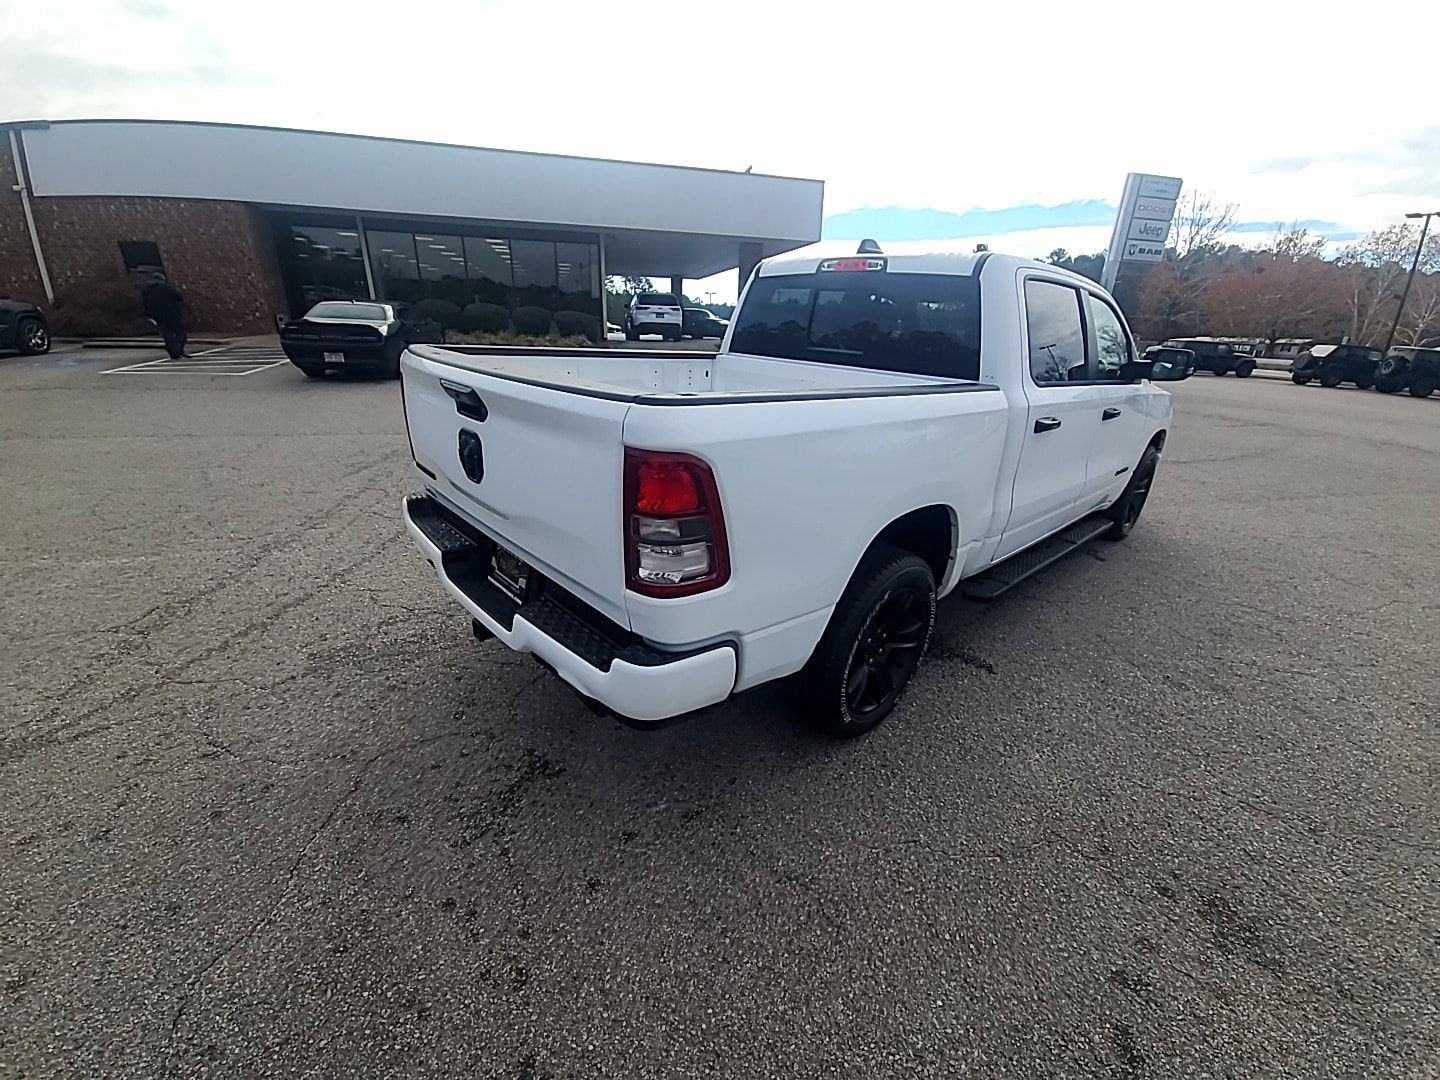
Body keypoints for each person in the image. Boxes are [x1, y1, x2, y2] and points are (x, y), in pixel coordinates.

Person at [141, 272, 188, 359]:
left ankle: (173, 352)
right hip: (172, 313)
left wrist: (148, 314)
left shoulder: (146, 290)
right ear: (162, 279)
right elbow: (178, 297)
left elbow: (144, 303)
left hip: (157, 316)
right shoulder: (167, 287)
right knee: (180, 333)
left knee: (167, 334)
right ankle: (177, 350)